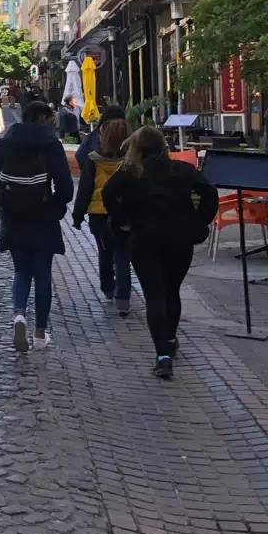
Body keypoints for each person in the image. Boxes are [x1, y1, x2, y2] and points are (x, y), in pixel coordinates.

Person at [103, 127, 218, 380]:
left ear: (136, 148)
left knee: (154, 295)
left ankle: (163, 355)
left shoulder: (129, 172)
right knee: (171, 291)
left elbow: (107, 193)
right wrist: (199, 222)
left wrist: (122, 221)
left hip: (145, 240)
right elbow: (209, 192)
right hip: (179, 240)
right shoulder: (181, 170)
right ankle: (170, 337)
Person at [0, 101, 72, 353]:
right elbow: (66, 188)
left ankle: (19, 315)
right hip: (43, 217)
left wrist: (2, 211)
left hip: (13, 217)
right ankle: (40, 333)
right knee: (43, 273)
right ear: (42, 118)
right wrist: (55, 208)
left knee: (21, 271)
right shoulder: (51, 145)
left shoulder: (6, 143)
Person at [72, 118, 132, 315]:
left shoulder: (93, 159)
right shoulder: (132, 162)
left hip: (98, 214)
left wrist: (78, 215)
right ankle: (123, 298)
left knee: (105, 251)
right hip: (124, 212)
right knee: (123, 255)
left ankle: (107, 288)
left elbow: (85, 189)